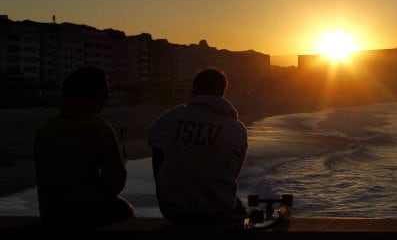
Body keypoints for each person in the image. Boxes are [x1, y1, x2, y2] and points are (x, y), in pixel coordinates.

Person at [147, 67, 248, 227]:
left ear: (195, 89)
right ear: (222, 92)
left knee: (159, 143)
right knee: (241, 210)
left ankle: (167, 194)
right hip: (218, 212)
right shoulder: (237, 129)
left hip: (173, 210)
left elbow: (152, 137)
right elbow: (233, 171)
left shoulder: (173, 117)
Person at [33, 66, 135, 226]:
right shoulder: (99, 129)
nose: (108, 96)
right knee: (126, 208)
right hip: (84, 213)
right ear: (95, 94)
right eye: (105, 90)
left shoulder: (45, 129)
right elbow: (116, 180)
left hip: (49, 211)